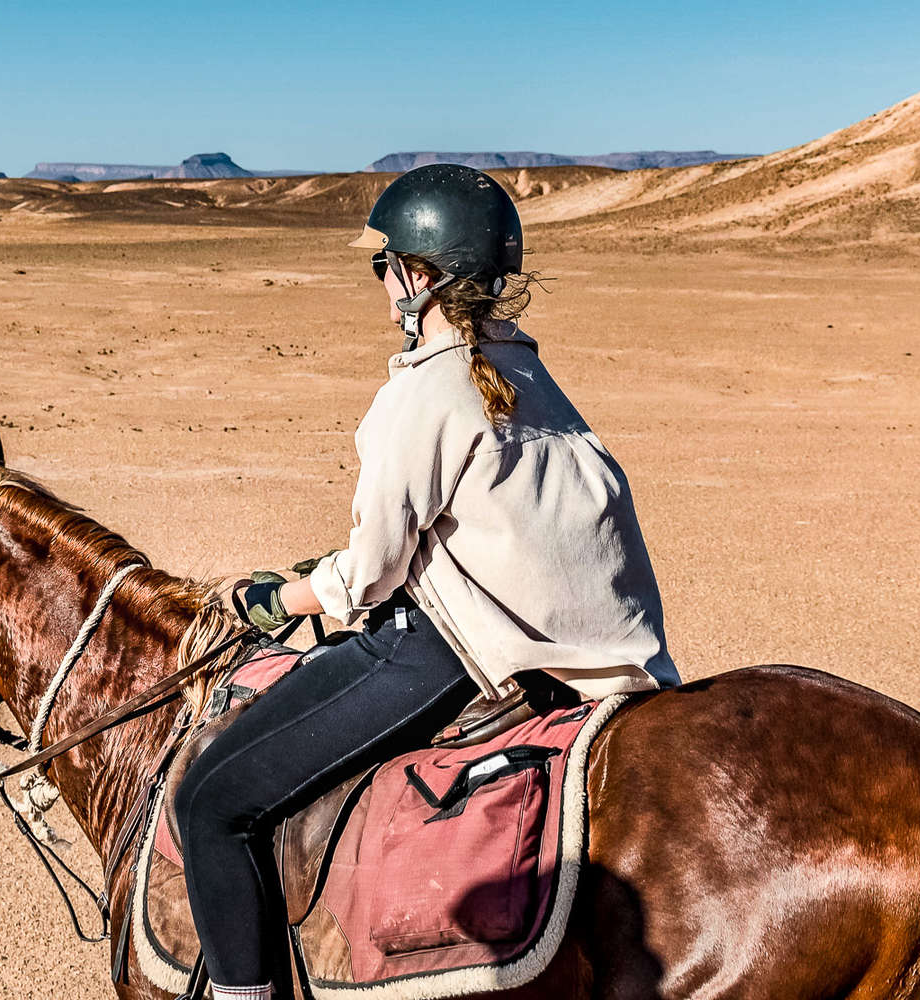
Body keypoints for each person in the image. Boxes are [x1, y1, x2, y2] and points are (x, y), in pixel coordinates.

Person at [171, 164, 679, 1000]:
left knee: (212, 804)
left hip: (453, 653)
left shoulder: (426, 391)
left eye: (386, 266)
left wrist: (280, 597)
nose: (381, 281)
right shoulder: (533, 380)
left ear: (421, 276)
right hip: (603, 662)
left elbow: (371, 575)